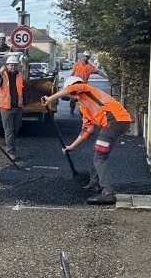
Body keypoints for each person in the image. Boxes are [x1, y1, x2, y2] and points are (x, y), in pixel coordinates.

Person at [41, 76, 132, 205]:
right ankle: (94, 184)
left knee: (100, 156)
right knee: (98, 153)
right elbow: (87, 129)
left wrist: (50, 98)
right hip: (114, 122)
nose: (72, 98)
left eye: (71, 95)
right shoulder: (84, 105)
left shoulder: (86, 88)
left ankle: (108, 192)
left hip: (114, 120)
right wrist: (71, 146)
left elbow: (74, 88)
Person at [0, 54, 24, 161]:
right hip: (6, 107)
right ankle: (11, 151)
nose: (13, 67)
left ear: (17, 66)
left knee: (17, 128)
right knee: (9, 130)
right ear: (7, 65)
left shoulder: (19, 75)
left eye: (14, 65)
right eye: (10, 65)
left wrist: (24, 103)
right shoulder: (2, 75)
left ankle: (11, 147)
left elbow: (22, 90)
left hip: (17, 107)